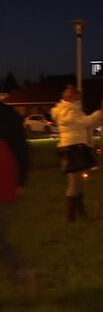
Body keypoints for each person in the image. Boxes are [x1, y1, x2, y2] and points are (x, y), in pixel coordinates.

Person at [51, 85, 103, 222]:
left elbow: (84, 125)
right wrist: (100, 113)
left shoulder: (70, 110)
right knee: (74, 183)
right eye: (77, 96)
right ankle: (70, 215)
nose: (78, 99)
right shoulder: (68, 112)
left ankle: (78, 211)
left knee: (78, 182)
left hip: (75, 148)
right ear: (70, 97)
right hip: (72, 150)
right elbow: (85, 122)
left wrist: (101, 119)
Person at [0, 101, 37, 296]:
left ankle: (21, 271)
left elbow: (21, 151)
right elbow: (23, 151)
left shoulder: (7, 117)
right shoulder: (10, 115)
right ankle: (22, 272)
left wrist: (21, 181)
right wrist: (21, 181)